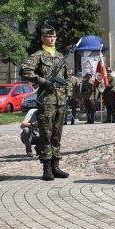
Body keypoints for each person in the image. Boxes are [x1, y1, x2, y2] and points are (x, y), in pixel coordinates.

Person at [20, 25, 70, 181]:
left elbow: (66, 78)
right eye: (49, 37)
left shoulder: (60, 56)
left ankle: (56, 166)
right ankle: (46, 168)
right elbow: (25, 70)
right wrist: (42, 81)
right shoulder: (38, 55)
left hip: (60, 101)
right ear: (42, 38)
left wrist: (67, 91)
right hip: (46, 101)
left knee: (57, 134)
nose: (52, 39)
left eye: (54, 37)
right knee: (46, 134)